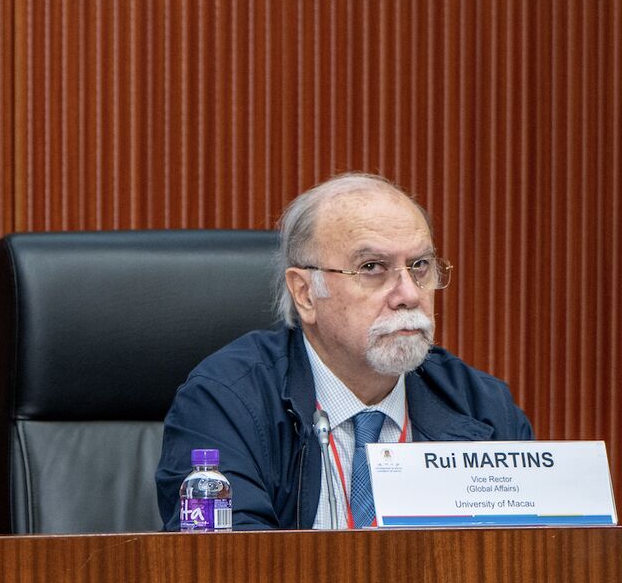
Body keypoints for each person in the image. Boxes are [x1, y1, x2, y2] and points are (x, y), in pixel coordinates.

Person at [154, 172, 531, 530]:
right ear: (305, 294)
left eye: (420, 266)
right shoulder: (226, 402)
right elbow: (231, 573)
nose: (409, 295)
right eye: (372, 267)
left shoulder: (482, 408)